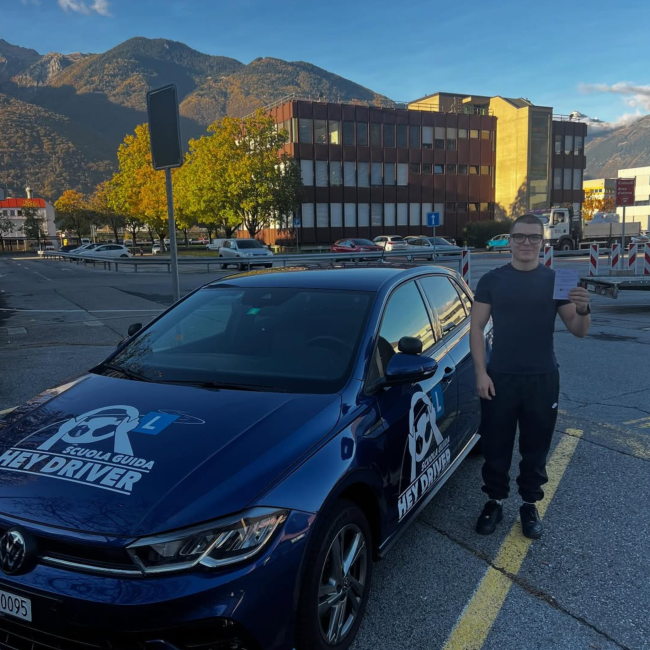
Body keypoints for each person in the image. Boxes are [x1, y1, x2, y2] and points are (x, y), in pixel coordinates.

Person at [470, 214, 591, 539]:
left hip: (542, 379)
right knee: (496, 446)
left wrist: (583, 310)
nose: (526, 242)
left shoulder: (560, 279)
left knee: (535, 448)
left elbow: (578, 330)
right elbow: (476, 328)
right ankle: (494, 501)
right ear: (509, 241)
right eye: (520, 236)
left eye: (533, 237)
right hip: (500, 378)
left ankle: (528, 504)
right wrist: (481, 372)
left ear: (542, 242)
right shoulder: (492, 280)